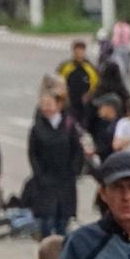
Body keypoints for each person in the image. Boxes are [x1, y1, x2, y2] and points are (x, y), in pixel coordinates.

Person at [26, 91, 86, 240]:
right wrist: (39, 174)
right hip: (46, 180)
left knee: (63, 220)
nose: (47, 108)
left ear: (59, 105)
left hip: (66, 178)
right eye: (43, 105)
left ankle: (62, 254)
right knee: (47, 219)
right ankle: (47, 251)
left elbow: (78, 150)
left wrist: (74, 170)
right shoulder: (37, 128)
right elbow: (33, 154)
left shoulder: (69, 125)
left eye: (50, 104)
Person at [57, 41, 99, 127]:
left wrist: (89, 95)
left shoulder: (90, 68)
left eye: (81, 51)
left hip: (84, 104)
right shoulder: (66, 66)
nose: (78, 54)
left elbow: (96, 85)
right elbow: (58, 81)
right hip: (69, 102)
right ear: (73, 51)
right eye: (76, 51)